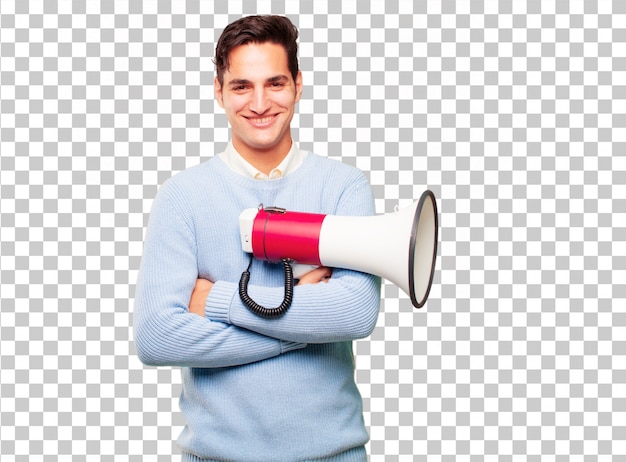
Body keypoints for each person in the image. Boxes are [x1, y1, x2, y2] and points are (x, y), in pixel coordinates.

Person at [133, 15, 381, 462]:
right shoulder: (182, 197)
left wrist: (216, 302)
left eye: (276, 83)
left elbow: (355, 313)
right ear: (219, 91)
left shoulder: (344, 186)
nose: (260, 103)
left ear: (299, 85)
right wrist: (302, 323)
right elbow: (157, 337)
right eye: (242, 86)